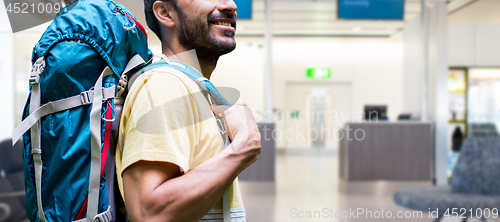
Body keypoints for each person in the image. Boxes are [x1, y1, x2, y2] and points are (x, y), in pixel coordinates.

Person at [114, 0, 261, 220]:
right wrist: (242, 148)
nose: (231, 5)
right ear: (165, 13)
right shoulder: (165, 85)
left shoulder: (191, 86)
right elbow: (148, 214)